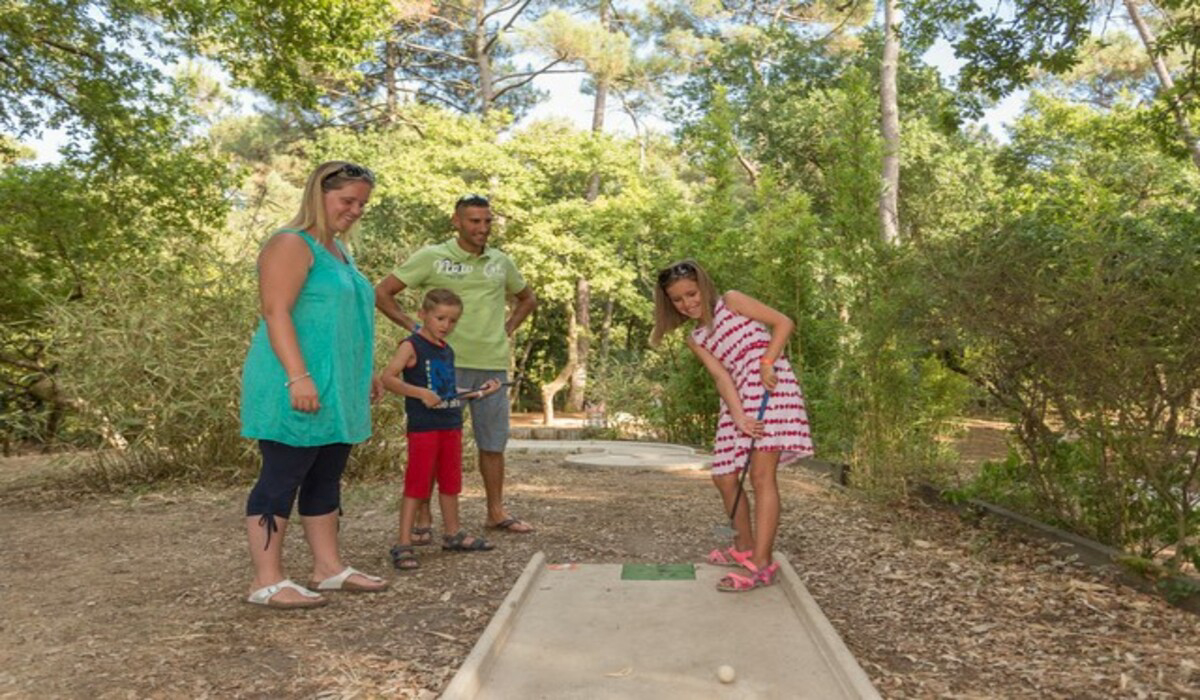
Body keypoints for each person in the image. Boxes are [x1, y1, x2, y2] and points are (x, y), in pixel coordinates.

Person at [240, 161, 389, 609]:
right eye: (347, 200)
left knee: (327, 474)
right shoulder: (291, 244)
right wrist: (298, 377)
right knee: (283, 474)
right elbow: (276, 312)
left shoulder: (341, 253)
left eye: (362, 203)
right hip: (295, 381)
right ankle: (266, 581)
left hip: (335, 387)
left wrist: (367, 373)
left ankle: (328, 569)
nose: (356, 210)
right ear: (318, 196)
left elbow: (344, 322)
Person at [375, 194, 538, 538]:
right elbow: (383, 292)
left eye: (487, 221)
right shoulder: (433, 257)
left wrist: (507, 329)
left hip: (491, 363)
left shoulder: (501, 262)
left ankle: (495, 512)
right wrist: (413, 328)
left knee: (493, 442)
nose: (482, 228)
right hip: (441, 365)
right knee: (433, 443)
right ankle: (423, 516)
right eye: (474, 221)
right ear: (457, 221)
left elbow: (528, 297)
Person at [651, 260, 814, 592]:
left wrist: (768, 361)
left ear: (704, 286)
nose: (688, 304)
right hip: (737, 399)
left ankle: (763, 564)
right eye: (678, 300)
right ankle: (743, 548)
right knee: (724, 476)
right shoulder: (696, 338)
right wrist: (738, 416)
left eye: (691, 294)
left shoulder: (733, 301)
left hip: (770, 389)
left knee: (761, 476)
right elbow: (721, 376)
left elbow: (784, 323)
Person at [380, 289, 503, 570]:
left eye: (453, 321)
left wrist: (479, 392)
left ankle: (453, 533)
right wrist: (419, 393)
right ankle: (403, 542)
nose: (446, 326)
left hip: (451, 424)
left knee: (450, 481)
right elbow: (388, 378)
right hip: (424, 428)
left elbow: (447, 390)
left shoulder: (447, 350)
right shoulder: (411, 346)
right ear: (422, 315)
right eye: (440, 318)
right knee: (417, 483)